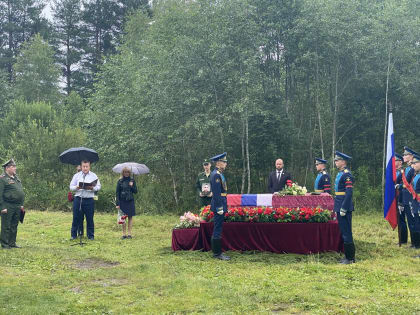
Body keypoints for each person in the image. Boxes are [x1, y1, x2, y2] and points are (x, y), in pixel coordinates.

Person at [69, 160, 101, 240]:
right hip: (78, 199)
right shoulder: (77, 175)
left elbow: (99, 186)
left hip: (89, 200)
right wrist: (76, 187)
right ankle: (74, 235)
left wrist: (92, 188)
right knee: (76, 217)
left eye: (87, 166)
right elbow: (71, 187)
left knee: (89, 218)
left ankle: (90, 236)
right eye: (84, 166)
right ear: (81, 166)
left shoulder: (94, 175)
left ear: (89, 167)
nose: (85, 168)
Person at [333, 151, 355, 264]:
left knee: (347, 232)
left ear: (343, 162)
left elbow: (349, 192)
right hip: (339, 204)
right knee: (343, 231)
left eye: (337, 160)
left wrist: (344, 207)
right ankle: (347, 256)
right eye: (335, 160)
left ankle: (350, 258)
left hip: (344, 206)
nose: (335, 162)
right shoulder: (340, 173)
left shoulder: (347, 174)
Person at [0, 159, 25, 249]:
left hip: (17, 205)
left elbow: (20, 192)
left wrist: (21, 204)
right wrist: (2, 207)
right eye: (13, 166)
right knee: (6, 225)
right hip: (7, 205)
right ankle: (5, 244)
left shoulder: (16, 178)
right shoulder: (2, 179)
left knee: (14, 225)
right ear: (7, 168)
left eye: (15, 166)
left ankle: (12, 243)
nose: (15, 168)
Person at [209, 152, 230, 260]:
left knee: (218, 227)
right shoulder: (216, 174)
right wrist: (219, 207)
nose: (226, 163)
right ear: (218, 163)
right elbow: (216, 193)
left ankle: (217, 252)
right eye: (224, 162)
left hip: (221, 201)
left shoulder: (218, 173)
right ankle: (217, 253)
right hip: (219, 203)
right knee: (217, 228)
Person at [398, 146, 419, 248]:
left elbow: (406, 184)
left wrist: (400, 185)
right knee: (411, 222)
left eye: (405, 155)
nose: (404, 156)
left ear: (411, 156)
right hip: (406, 198)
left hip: (411, 198)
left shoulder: (411, 170)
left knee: (413, 221)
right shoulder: (407, 168)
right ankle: (414, 243)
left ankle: (415, 243)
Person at [116, 167, 138, 239]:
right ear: (123, 173)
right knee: (123, 217)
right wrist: (117, 204)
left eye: (128, 172)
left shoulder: (132, 180)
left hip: (130, 201)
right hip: (122, 201)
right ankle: (124, 234)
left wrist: (131, 186)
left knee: (130, 217)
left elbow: (135, 191)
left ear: (129, 173)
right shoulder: (120, 181)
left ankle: (129, 234)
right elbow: (117, 193)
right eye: (125, 172)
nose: (126, 173)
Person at [394, 153, 407, 244]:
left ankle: (403, 240)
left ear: (400, 162)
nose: (393, 162)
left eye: (395, 160)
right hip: (397, 197)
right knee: (400, 218)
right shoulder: (395, 172)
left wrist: (401, 201)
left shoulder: (403, 171)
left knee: (402, 219)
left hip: (403, 198)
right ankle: (402, 239)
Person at [409, 154, 420, 254]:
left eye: (415, 163)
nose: (414, 165)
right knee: (417, 225)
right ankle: (417, 245)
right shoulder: (416, 175)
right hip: (416, 204)